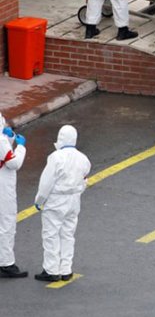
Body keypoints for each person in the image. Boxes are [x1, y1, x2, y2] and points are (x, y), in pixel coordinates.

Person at [33, 125, 91, 282]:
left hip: (56, 200)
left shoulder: (55, 157)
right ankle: (66, 269)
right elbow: (85, 179)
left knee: (51, 234)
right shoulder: (83, 158)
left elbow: (46, 182)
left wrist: (39, 200)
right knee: (68, 234)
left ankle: (51, 270)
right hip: (74, 200)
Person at [0, 113, 27, 279]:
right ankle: (6, 263)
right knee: (7, 223)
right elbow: (13, 163)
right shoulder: (1, 141)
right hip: (3, 186)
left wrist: (8, 140)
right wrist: (21, 147)